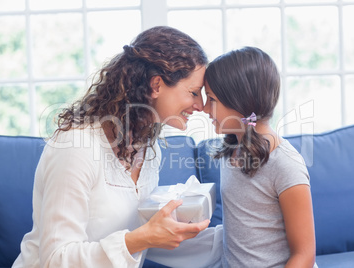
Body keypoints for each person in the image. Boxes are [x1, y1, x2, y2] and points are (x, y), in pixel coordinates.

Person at [12, 26, 222, 268]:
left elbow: (147, 241)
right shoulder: (77, 147)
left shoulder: (145, 145)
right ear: (156, 85)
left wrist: (240, 238)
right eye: (194, 92)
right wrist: (140, 239)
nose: (201, 105)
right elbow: (55, 259)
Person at [203, 47, 317, 267]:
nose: (205, 108)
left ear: (241, 102)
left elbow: (304, 255)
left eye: (211, 99)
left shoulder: (285, 164)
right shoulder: (232, 149)